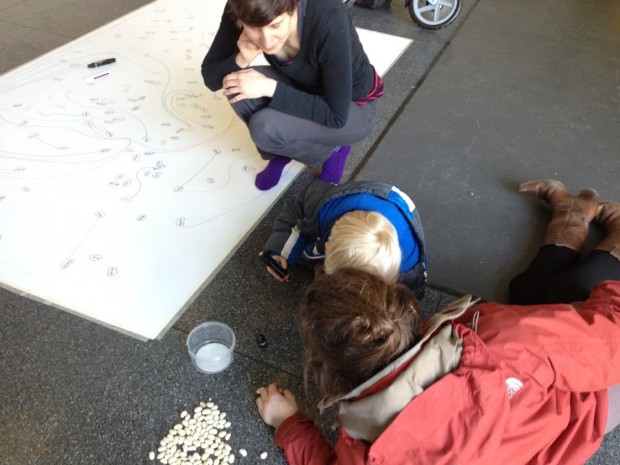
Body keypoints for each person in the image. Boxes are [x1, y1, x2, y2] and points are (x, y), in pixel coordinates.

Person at [254, 179, 620, 465]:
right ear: (408, 307)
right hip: (572, 419)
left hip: (544, 407)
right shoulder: (495, 338)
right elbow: (609, 342)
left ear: (330, 376)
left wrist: (289, 424)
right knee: (562, 290)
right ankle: (589, 223)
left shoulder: (363, 446)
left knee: (530, 290)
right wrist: (600, 298)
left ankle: (572, 214)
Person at [201, 0, 384, 191]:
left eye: (275, 25)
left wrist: (270, 88)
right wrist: (242, 58)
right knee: (237, 84)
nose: (267, 41)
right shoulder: (243, 7)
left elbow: (335, 115)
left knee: (265, 127)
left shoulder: (328, 15)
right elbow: (211, 79)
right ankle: (281, 149)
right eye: (255, 28)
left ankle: (334, 150)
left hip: (352, 107)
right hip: (304, 86)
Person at [261, 178, 427, 299]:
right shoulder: (320, 203)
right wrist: (281, 250)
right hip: (346, 205)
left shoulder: (409, 270)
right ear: (327, 246)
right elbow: (294, 213)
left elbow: (410, 299)